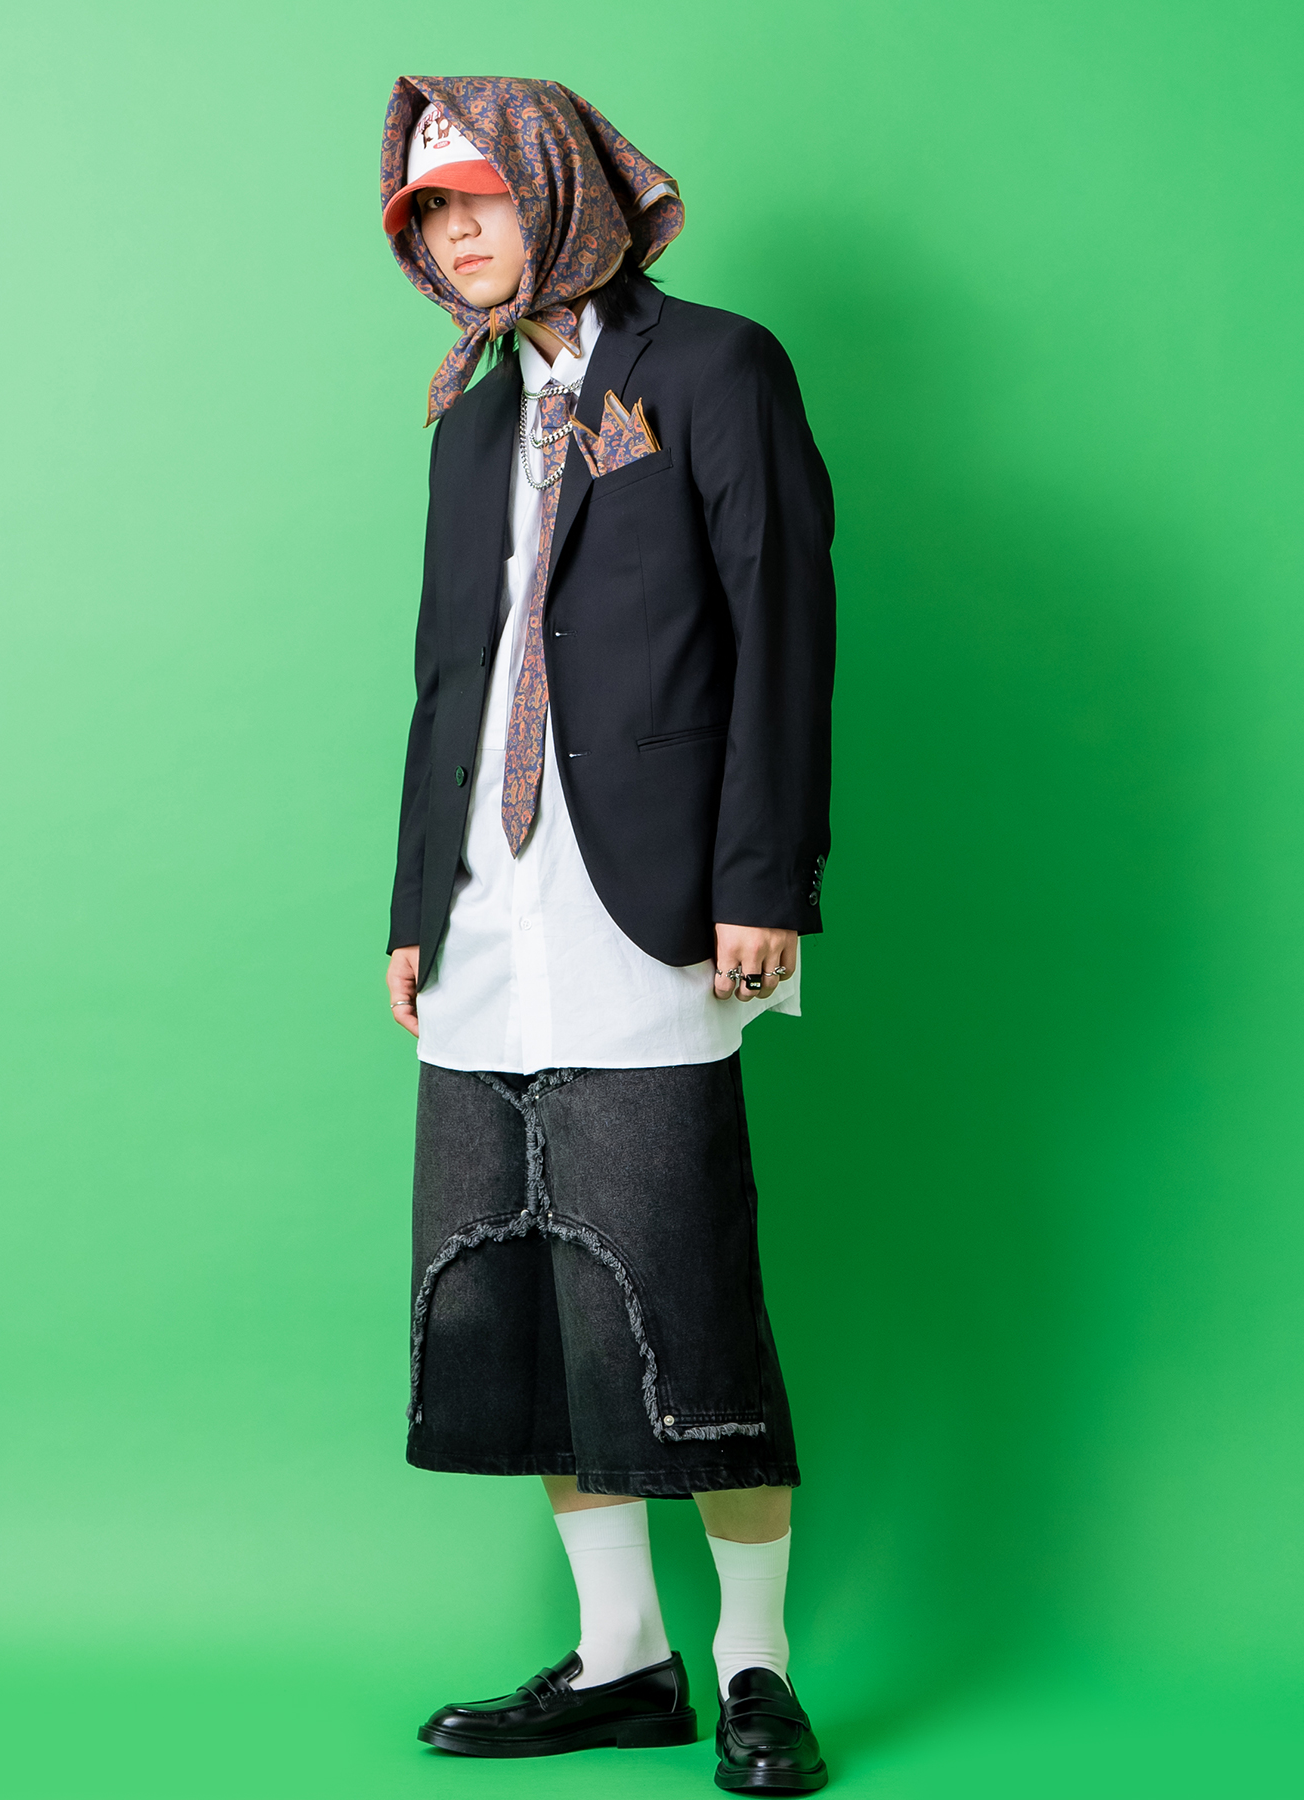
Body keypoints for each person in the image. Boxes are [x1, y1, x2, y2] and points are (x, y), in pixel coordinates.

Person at [379, 76, 835, 1795]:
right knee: (525, 1294)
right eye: (429, 212)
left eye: (479, 197)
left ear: (560, 187)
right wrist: (414, 908)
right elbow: (449, 676)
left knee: (679, 1286)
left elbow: (783, 626)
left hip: (655, 900)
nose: (455, 234)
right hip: (485, 916)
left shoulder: (717, 367)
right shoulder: (468, 419)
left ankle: (756, 1666)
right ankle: (622, 1656)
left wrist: (763, 875)